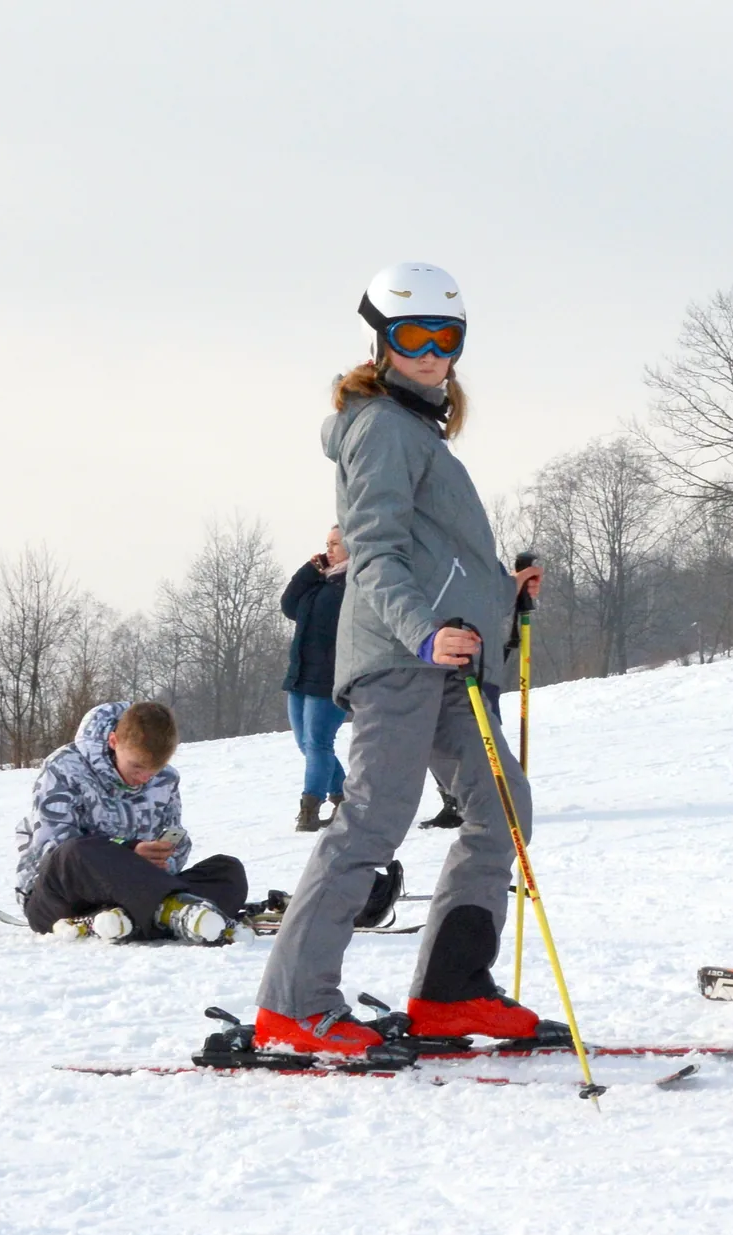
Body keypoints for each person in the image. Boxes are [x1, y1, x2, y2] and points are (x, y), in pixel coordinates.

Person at [250, 262, 547, 1055]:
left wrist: (501, 595)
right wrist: (422, 632)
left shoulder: (416, 431)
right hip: (399, 657)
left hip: (448, 661)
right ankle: (293, 1003)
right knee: (374, 817)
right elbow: (376, 552)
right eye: (412, 336)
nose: (431, 353)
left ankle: (451, 993)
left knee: (502, 808)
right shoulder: (379, 425)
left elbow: (437, 555)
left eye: (446, 338)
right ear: (379, 341)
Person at [15, 701, 245, 944]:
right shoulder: (64, 767)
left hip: (134, 891)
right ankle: (170, 912)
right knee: (74, 852)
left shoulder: (165, 781)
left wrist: (164, 857)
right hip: (60, 896)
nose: (144, 778)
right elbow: (53, 848)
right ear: (114, 742)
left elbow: (172, 840)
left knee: (228, 871)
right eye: (137, 766)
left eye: (154, 769)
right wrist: (129, 850)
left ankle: (125, 920)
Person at [280, 525, 350, 832]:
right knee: (305, 744)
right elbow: (289, 606)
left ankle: (310, 809)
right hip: (301, 676)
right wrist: (310, 570)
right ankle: (344, 796)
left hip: (329, 679)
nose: (329, 550)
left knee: (319, 744)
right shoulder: (321, 582)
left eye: (335, 544)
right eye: (327, 544)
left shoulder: (357, 584)